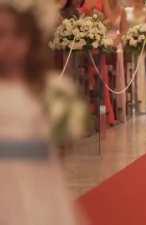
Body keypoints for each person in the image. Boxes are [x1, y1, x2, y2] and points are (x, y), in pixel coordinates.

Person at [0, 2, 83, 224]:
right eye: (1, 35)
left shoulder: (53, 89)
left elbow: (63, 144)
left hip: (38, 183)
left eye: (17, 35)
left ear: (31, 39)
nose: (7, 43)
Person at [124, 0, 146, 114]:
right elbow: (123, 28)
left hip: (140, 47)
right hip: (127, 45)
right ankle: (128, 103)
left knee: (139, 73)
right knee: (127, 73)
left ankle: (140, 103)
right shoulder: (126, 11)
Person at [106, 0, 127, 122]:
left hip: (116, 42)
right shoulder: (103, 6)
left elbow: (124, 31)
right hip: (102, 40)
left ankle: (118, 108)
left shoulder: (122, 10)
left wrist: (116, 41)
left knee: (118, 52)